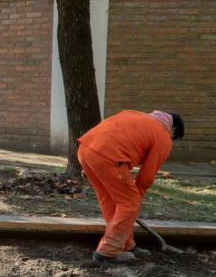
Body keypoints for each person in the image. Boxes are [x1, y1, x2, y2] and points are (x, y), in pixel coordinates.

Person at [77, 110, 184, 264]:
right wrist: (135, 197)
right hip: (109, 156)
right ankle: (108, 251)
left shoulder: (134, 114)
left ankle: (126, 245)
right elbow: (147, 175)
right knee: (129, 203)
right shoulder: (163, 136)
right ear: (172, 129)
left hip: (86, 149)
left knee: (111, 201)